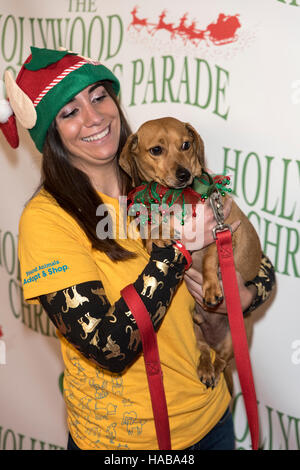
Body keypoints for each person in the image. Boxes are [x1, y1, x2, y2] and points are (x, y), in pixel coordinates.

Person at [3, 47, 275, 451]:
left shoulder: (162, 181)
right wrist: (180, 246)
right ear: (51, 134)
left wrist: (237, 295)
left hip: (209, 421)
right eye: (69, 112)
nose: (93, 117)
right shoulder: (48, 220)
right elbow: (109, 348)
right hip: (121, 442)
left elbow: (261, 271)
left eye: (98, 96)